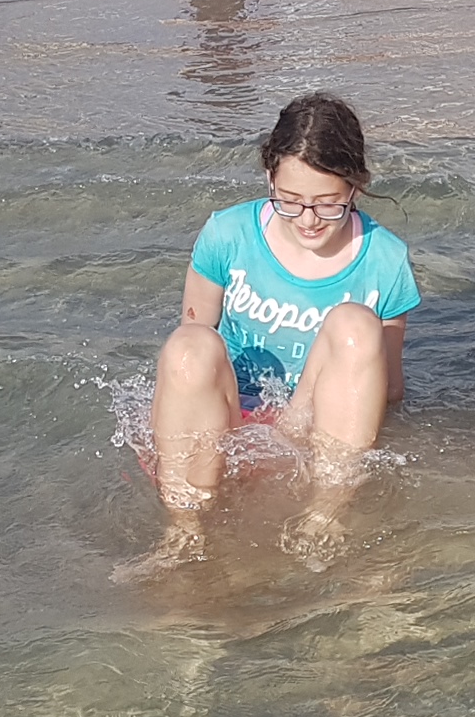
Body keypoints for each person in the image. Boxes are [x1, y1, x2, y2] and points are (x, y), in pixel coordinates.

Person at [121, 93, 418, 576]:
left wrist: (299, 419)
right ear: (269, 179)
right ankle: (184, 528)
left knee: (355, 324)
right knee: (189, 344)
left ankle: (324, 516)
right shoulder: (227, 234)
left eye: (328, 206)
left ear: (355, 188)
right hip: (229, 419)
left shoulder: (385, 259)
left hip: (315, 425)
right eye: (291, 202)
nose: (308, 220)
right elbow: (192, 351)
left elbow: (389, 388)